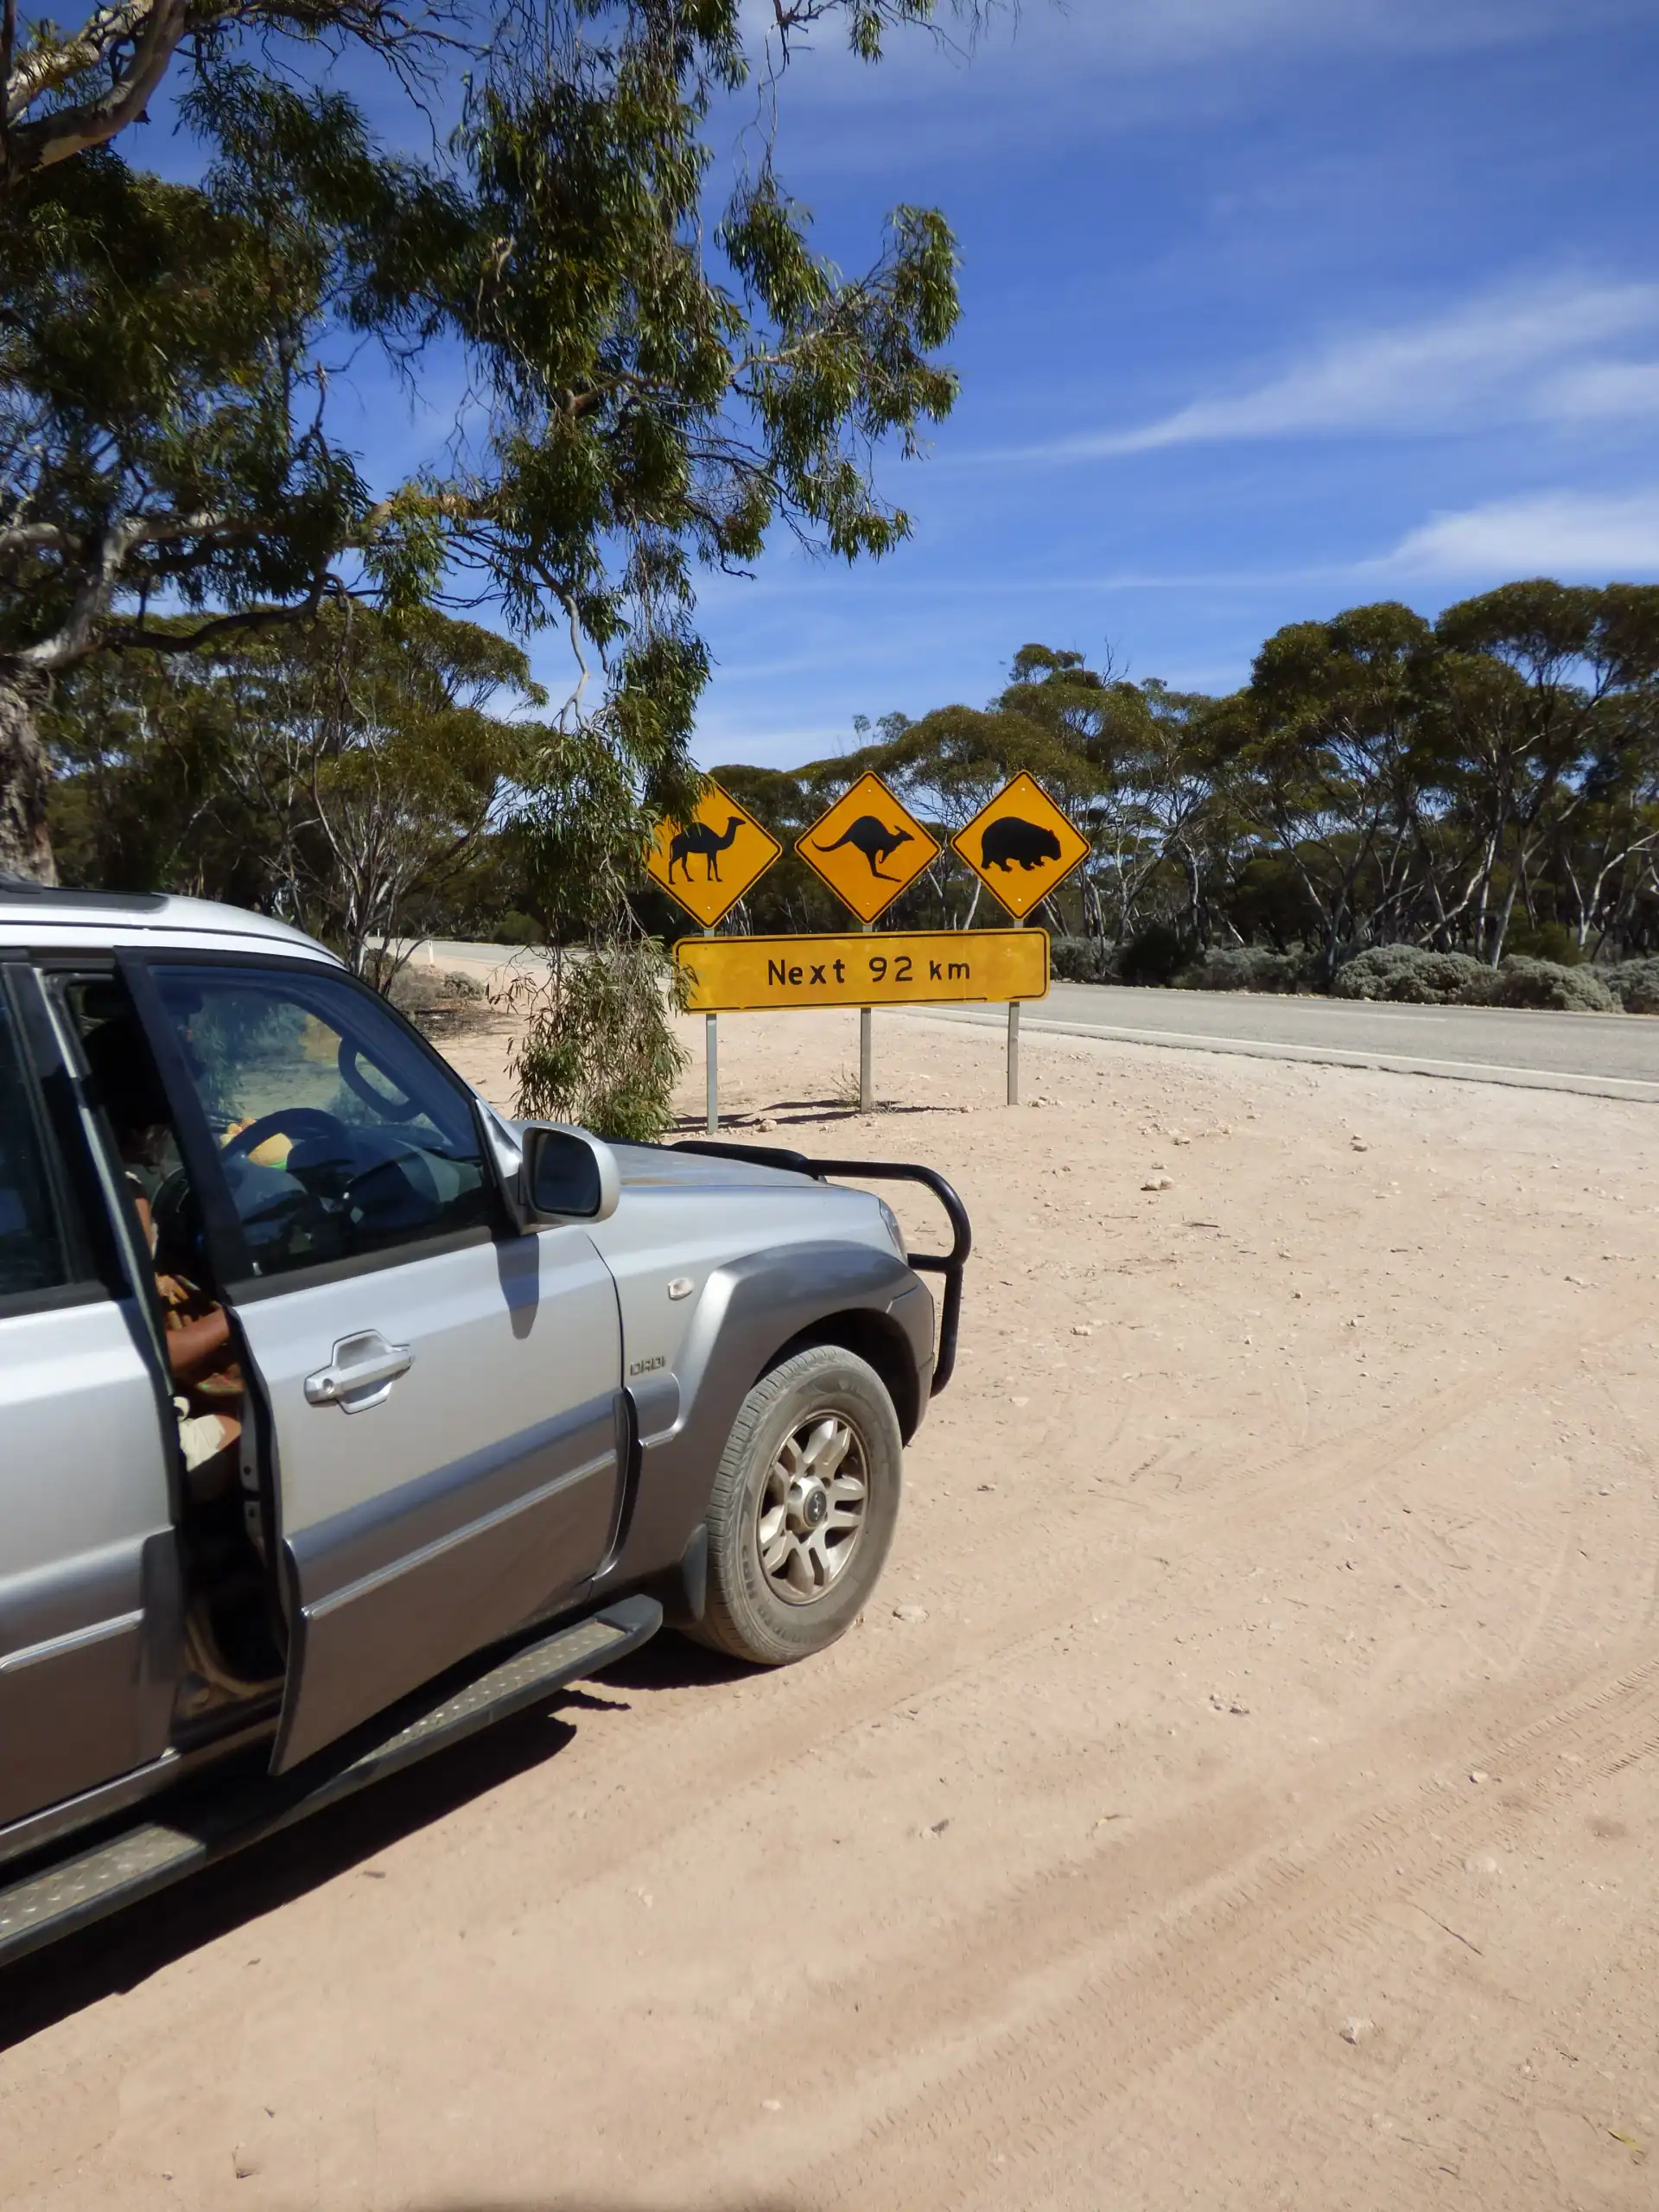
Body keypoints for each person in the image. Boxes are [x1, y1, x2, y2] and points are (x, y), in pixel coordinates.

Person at [81, 1017, 243, 1480]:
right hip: (143, 1442)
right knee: (261, 1421)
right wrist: (235, 1312)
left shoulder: (64, 1174)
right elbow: (153, 1354)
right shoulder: (123, 1199)